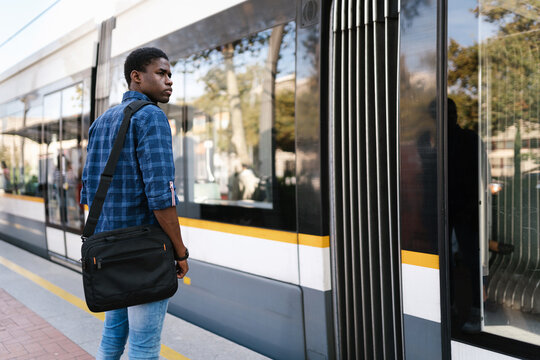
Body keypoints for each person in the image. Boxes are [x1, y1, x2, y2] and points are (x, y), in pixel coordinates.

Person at [81, 47, 189, 360]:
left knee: (112, 338)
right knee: (144, 348)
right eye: (162, 73)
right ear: (136, 77)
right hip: (143, 254)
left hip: (109, 249)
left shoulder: (101, 122)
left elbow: (89, 191)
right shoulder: (151, 117)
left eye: (170, 75)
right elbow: (161, 197)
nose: (169, 81)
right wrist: (180, 252)